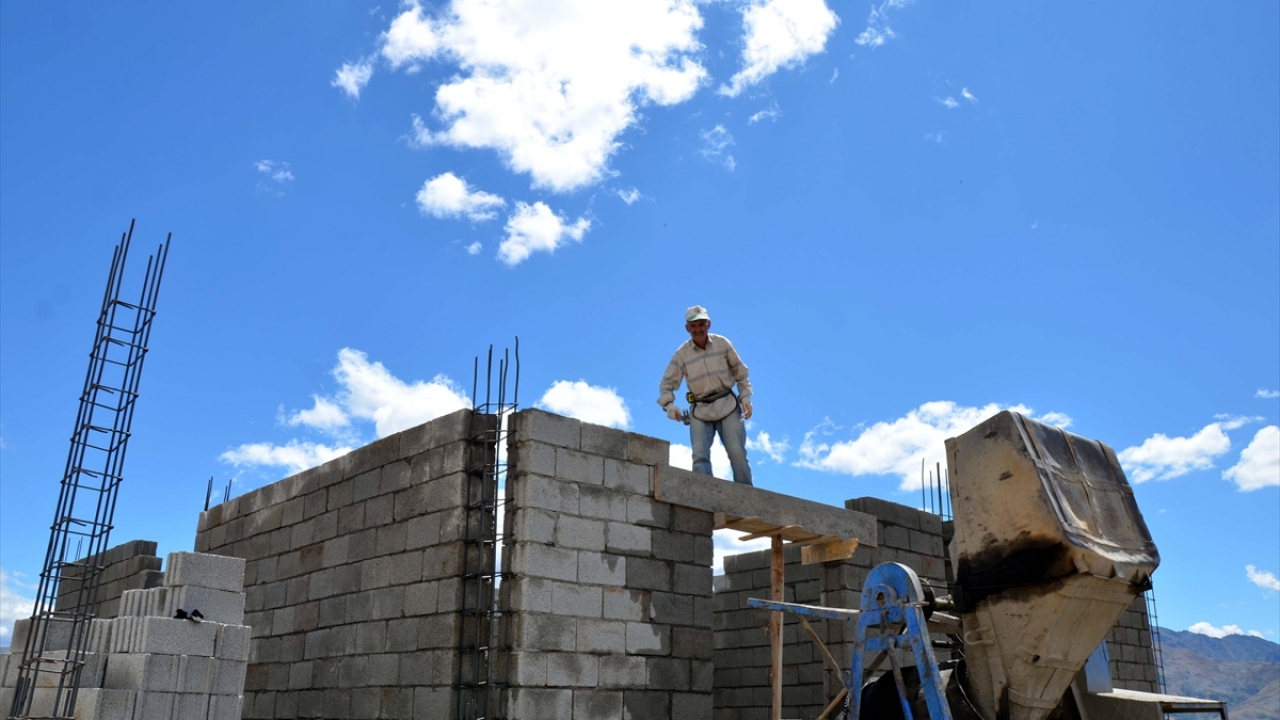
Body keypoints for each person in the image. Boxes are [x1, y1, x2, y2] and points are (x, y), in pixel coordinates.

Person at [658, 305, 754, 485]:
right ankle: (704, 497)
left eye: (701, 324)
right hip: (700, 410)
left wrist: (745, 396)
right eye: (693, 325)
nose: (698, 329)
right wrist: (669, 406)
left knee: (737, 453)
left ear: (708, 324)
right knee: (699, 457)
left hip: (727, 404)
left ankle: (747, 496)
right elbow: (666, 384)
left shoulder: (722, 343)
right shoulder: (681, 355)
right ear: (687, 328)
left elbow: (741, 371)